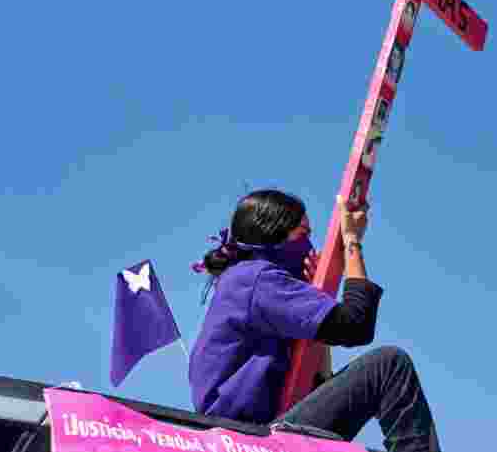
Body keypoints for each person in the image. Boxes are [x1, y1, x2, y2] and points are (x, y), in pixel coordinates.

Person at [189, 189, 441, 452]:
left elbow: (319, 379)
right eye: (304, 235)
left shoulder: (250, 285)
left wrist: (317, 304)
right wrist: (351, 241)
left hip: (266, 434)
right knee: (389, 365)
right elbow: (356, 324)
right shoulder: (256, 279)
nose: (310, 247)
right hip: (249, 439)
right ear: (273, 236)